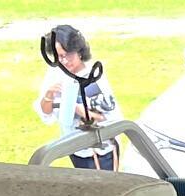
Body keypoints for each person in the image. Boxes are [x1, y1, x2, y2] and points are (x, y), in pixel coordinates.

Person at [35, 23, 121, 171]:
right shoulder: (55, 74)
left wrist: (80, 111)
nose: (64, 61)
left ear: (79, 51)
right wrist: (49, 95)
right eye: (59, 56)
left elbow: (109, 118)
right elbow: (46, 112)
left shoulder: (92, 76)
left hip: (101, 151)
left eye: (68, 55)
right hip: (75, 148)